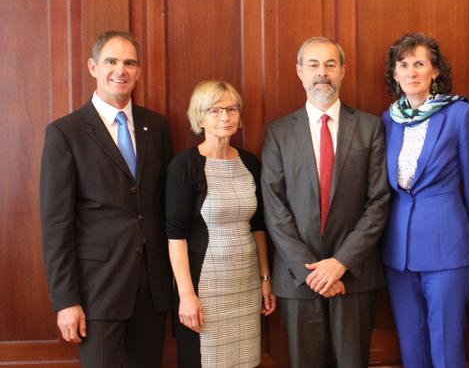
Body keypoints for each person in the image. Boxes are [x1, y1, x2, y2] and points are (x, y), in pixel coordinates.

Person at [40, 30, 172, 366]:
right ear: (93, 67)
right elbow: (56, 225)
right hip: (97, 291)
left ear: (139, 71)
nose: (121, 70)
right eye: (111, 61)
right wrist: (66, 300)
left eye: (129, 63)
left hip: (152, 290)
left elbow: (162, 207)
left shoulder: (156, 127)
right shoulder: (65, 133)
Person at [260, 36, 390, 368]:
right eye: (314, 65)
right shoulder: (278, 132)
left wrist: (340, 263)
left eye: (331, 64)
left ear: (343, 72)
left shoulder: (370, 127)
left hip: (354, 275)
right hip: (298, 277)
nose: (323, 73)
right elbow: (275, 209)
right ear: (299, 72)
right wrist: (312, 271)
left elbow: (378, 202)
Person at [380, 32, 469, 368]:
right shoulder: (388, 120)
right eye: (404, 65)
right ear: (395, 74)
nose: (412, 72)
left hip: (448, 251)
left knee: (446, 347)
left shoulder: (459, 115)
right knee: (411, 348)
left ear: (435, 71)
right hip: (398, 253)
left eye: (420, 64)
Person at [165, 80, 277, 366]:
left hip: (246, 283)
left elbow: (259, 226)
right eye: (214, 110)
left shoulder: (250, 163)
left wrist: (265, 279)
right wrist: (186, 295)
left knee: (245, 361)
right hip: (204, 286)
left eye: (231, 109)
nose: (224, 117)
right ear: (199, 117)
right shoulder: (185, 166)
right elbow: (175, 235)